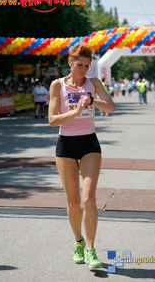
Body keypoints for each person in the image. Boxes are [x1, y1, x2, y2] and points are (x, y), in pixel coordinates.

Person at [48, 42, 115, 269]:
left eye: (87, 65)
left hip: (89, 143)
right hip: (65, 144)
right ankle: (78, 242)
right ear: (70, 62)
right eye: (79, 65)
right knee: (73, 202)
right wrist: (75, 112)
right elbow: (52, 120)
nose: (83, 70)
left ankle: (91, 248)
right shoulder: (57, 85)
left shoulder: (93, 83)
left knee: (89, 198)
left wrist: (93, 101)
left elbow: (112, 107)